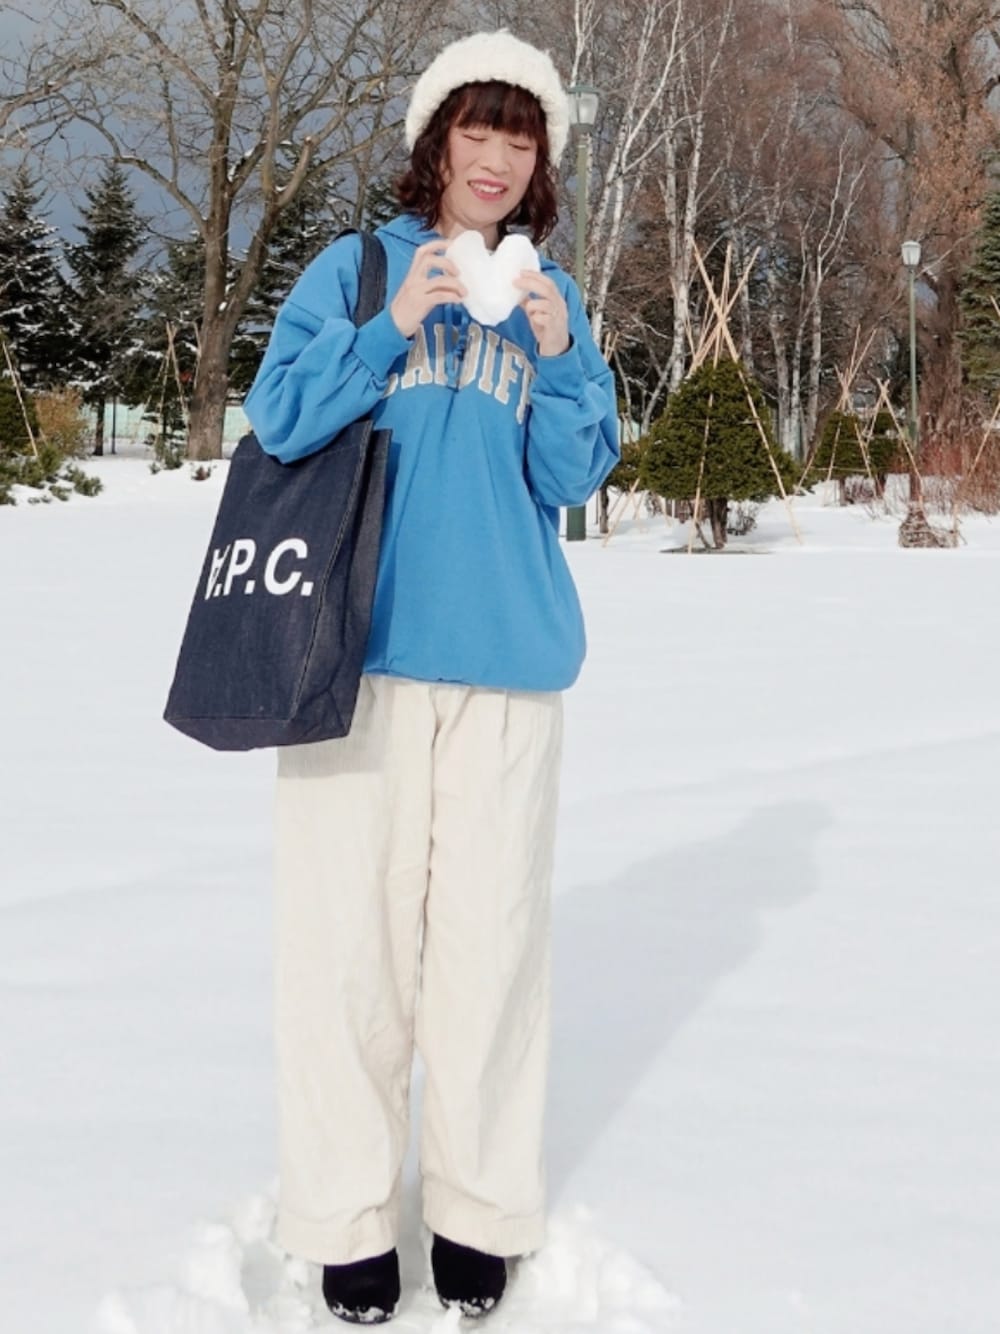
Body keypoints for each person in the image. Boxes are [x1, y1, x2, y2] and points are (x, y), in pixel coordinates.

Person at [243, 27, 619, 1325]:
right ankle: (348, 1217)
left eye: (521, 134)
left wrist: (563, 359)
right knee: (347, 955)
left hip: (509, 672)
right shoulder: (358, 268)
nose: (498, 156)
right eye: (478, 127)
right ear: (435, 141)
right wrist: (390, 325)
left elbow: (572, 476)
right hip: (354, 665)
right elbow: (280, 416)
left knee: (489, 958)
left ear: (540, 160)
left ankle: (478, 1212)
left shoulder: (548, 294)